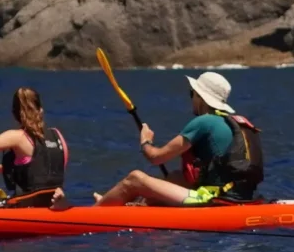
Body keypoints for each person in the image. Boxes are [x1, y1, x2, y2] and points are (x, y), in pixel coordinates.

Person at [95, 71, 264, 207]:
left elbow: (156, 157)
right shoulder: (234, 122)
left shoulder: (204, 121)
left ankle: (95, 213)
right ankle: (123, 205)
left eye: (192, 94)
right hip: (244, 195)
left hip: (216, 200)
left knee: (134, 179)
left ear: (200, 97)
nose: (191, 99)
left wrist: (146, 141)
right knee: (176, 177)